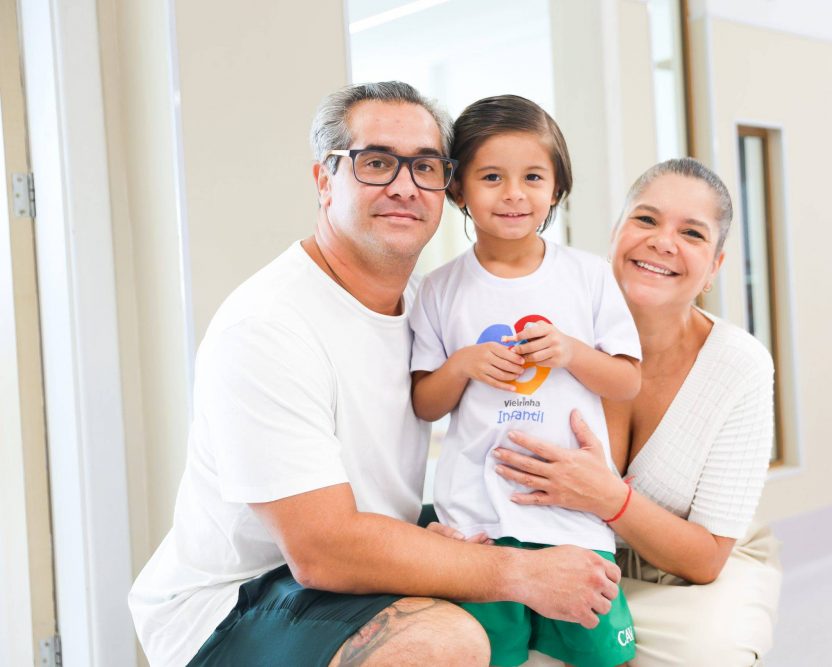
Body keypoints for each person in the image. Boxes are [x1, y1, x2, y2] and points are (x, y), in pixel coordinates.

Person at [128, 82, 623, 667]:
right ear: (324, 180)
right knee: (446, 640)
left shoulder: (428, 303)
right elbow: (323, 550)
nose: (404, 186)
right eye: (377, 162)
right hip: (234, 602)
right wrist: (522, 572)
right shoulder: (267, 327)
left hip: (342, 575)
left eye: (425, 166)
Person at [493, 158, 782, 667]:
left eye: (692, 233)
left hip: (686, 579)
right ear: (615, 235)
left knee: (709, 653)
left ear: (714, 267)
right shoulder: (552, 337)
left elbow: (706, 558)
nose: (662, 242)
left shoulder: (740, 365)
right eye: (646, 219)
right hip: (561, 561)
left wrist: (608, 497)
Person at [408, 95, 642, 667]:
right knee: (490, 655)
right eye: (492, 177)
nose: (514, 193)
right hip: (476, 522)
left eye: (533, 177)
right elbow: (425, 404)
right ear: (458, 189)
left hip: (571, 518)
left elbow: (626, 382)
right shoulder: (437, 288)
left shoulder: (588, 276)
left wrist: (571, 352)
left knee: (602, 657)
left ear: (557, 188)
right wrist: (462, 365)